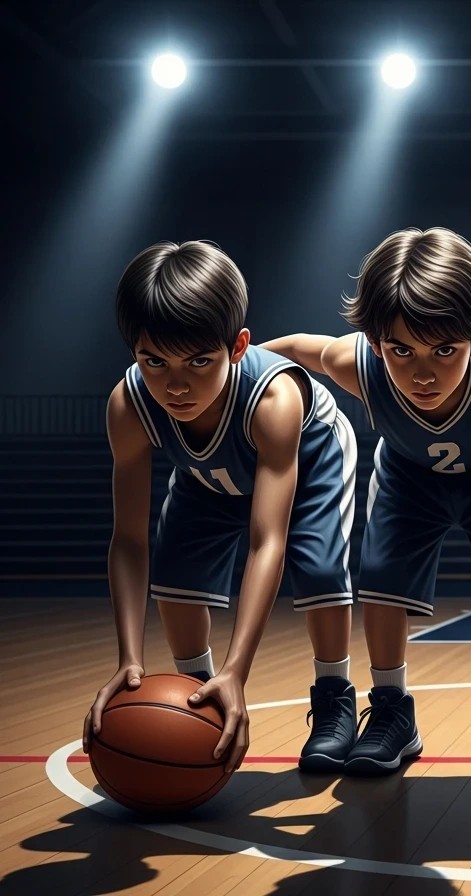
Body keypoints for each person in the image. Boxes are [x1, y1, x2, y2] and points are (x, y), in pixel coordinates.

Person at [265, 227, 471, 775]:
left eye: (444, 350)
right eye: (401, 350)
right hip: (409, 478)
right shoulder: (356, 364)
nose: (422, 372)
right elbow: (293, 350)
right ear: (378, 342)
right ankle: (390, 712)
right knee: (380, 573)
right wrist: (241, 372)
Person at [84, 240, 357, 774]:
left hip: (311, 450)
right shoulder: (130, 404)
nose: (176, 385)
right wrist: (130, 660)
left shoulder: (275, 400)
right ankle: (197, 695)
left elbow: (267, 541)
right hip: (207, 475)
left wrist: (239, 669)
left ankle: (334, 698)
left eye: (199, 361)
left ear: (237, 347)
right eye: (153, 361)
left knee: (320, 568)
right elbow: (129, 541)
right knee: (175, 576)